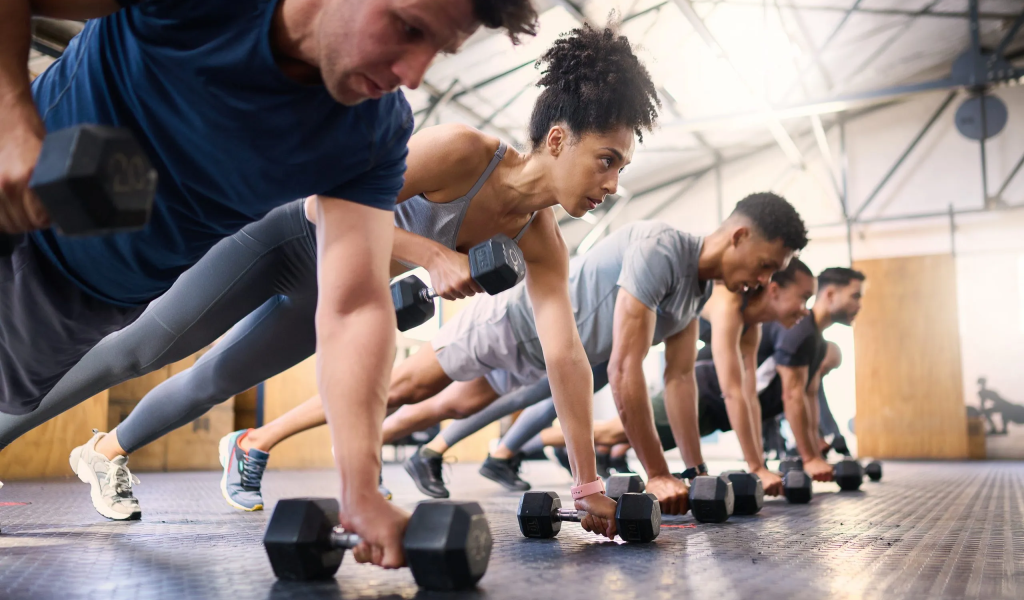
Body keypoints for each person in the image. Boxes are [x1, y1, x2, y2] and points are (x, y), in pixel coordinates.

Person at [37, 25, 661, 540]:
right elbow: (323, 203)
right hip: (287, 238)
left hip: (337, 289)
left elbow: (566, 356)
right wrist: (433, 257)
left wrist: (586, 485)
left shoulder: (541, 240)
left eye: (621, 169)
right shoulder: (465, 152)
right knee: (140, 349)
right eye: (606, 161)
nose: (611, 185)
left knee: (214, 381)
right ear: (558, 140)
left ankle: (103, 454)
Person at [1, 0, 537, 570]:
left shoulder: (373, 131)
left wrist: (358, 487)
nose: (414, 73)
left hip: (81, 301)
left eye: (440, 51)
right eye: (407, 28)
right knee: (135, 353)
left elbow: (354, 306)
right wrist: (12, 117)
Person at [375, 193, 807, 516]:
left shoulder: (701, 291)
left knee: (452, 402)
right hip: (514, 320)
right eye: (766, 264)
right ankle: (357, 445)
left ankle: (396, 447)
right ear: (740, 236)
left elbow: (679, 380)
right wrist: (657, 472)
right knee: (408, 387)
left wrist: (694, 473)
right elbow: (624, 368)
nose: (764, 279)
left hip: (557, 353)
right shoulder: (661, 247)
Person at [467, 257, 816, 496]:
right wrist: (755, 465)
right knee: (541, 401)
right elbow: (732, 390)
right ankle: (510, 450)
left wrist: (756, 464)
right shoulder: (727, 303)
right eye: (803, 297)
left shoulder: (752, 325)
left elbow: (747, 393)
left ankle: (521, 451)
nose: (805, 309)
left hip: (650, 348)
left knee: (582, 417)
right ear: (772, 288)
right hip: (611, 333)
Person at [533, 341, 845, 475]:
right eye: (826, 368)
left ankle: (556, 446)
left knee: (623, 438)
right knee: (611, 430)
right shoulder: (791, 360)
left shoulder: (802, 378)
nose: (823, 374)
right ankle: (523, 445)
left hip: (711, 415)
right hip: (701, 395)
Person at [759, 266, 864, 481]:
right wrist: (808, 459)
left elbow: (809, 396)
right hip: (706, 403)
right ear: (831, 295)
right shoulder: (800, 330)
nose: (859, 305)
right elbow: (792, 396)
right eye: (855, 296)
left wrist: (815, 452)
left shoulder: (818, 342)